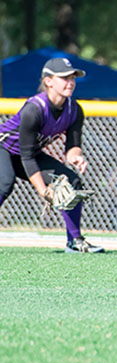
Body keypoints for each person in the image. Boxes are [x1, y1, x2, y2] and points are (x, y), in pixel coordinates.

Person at [0, 57, 104, 253]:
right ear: (48, 81)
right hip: (3, 148)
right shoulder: (35, 109)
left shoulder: (74, 109)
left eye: (72, 78)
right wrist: (44, 191)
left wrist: (76, 156)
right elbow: (27, 156)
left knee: (72, 181)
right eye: (64, 78)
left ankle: (75, 241)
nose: (70, 82)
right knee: (5, 182)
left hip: (28, 154)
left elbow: (73, 146)